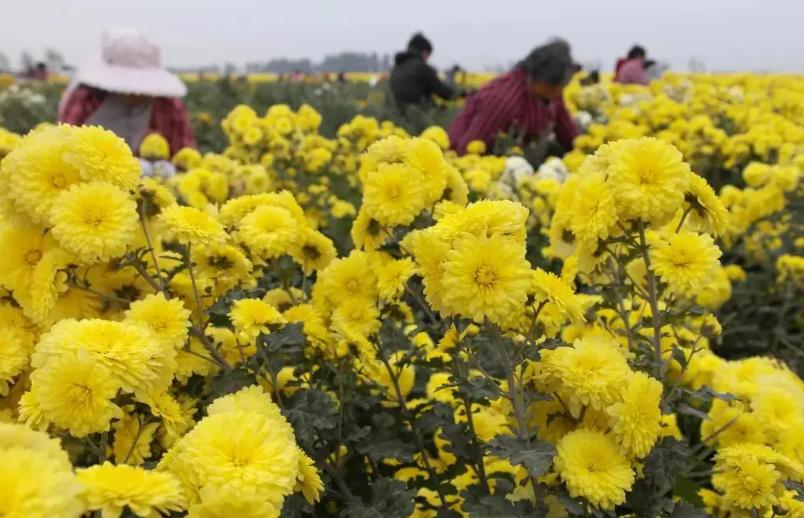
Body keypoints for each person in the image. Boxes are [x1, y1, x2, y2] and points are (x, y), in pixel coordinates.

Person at [58, 29, 195, 154]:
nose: (135, 93)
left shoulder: (169, 105)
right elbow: (63, 148)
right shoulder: (86, 98)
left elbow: (185, 157)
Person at [448, 39, 578, 155]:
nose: (558, 92)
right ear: (535, 76)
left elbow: (566, 130)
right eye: (556, 87)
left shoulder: (549, 90)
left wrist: (585, 151)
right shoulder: (503, 99)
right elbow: (468, 149)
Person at [389, 32, 454, 109]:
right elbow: (443, 92)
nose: (427, 59)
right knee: (445, 110)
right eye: (427, 55)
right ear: (423, 52)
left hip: (396, 112)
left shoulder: (396, 66)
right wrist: (462, 94)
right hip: (417, 113)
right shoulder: (421, 67)